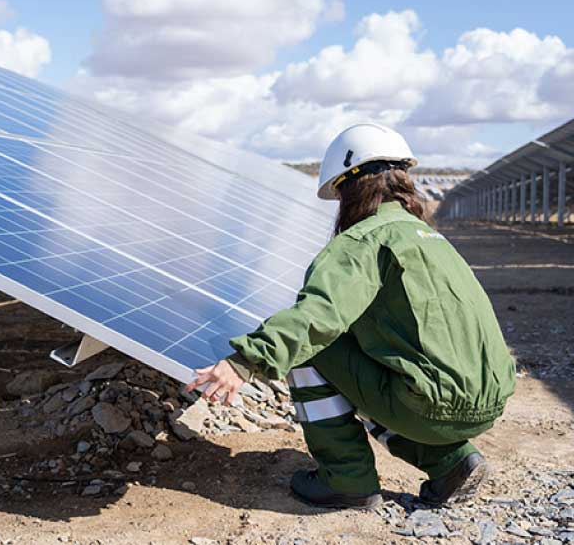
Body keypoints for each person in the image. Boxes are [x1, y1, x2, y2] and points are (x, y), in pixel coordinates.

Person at [186, 123, 515, 510]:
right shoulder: (428, 237)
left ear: (350, 187)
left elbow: (316, 316)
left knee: (312, 349)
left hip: (430, 406)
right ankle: (451, 462)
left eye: (340, 191)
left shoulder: (363, 241)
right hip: (489, 400)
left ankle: (346, 480)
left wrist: (245, 362)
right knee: (372, 359)